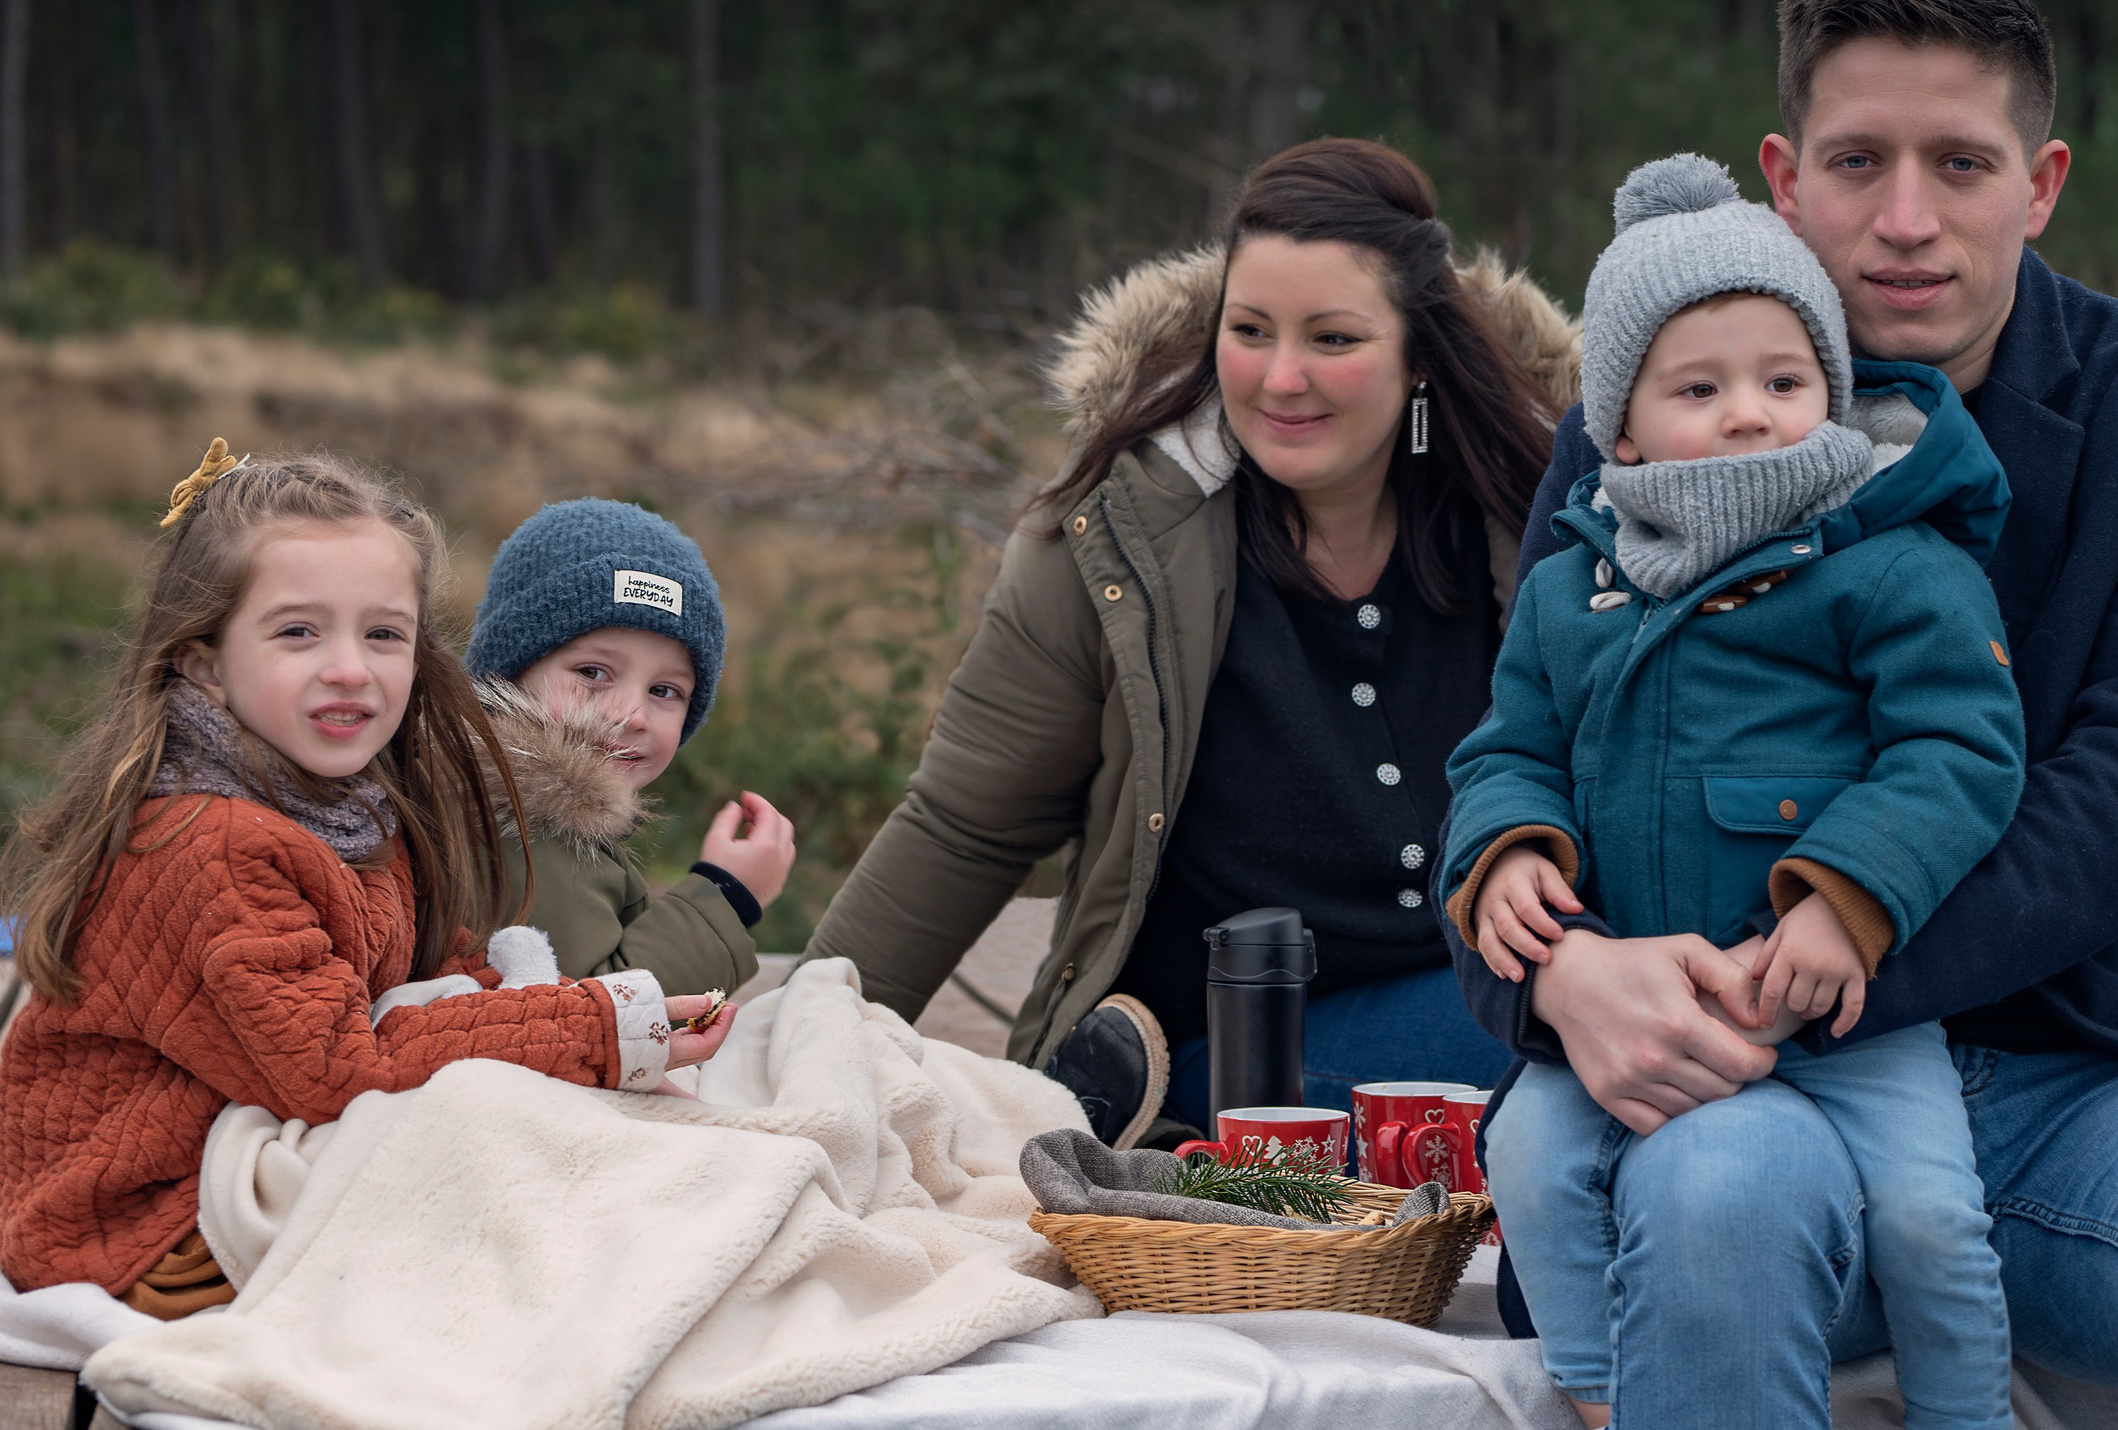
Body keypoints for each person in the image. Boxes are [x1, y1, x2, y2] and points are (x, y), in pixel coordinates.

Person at [1451, 0, 2118, 1429]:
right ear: (1785, 179)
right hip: (1741, 1078)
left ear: (2042, 181)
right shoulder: (1640, 422)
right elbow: (1529, 736)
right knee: (1716, 1197)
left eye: (1963, 162)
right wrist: (1553, 974)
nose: (1910, 219)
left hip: (2097, 1056)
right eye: (1861, 161)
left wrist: (1819, 957)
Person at [801, 138, 1577, 1144]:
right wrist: (801, 1051)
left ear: (1418, 356)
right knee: (1574, 1046)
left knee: (1633, 1033)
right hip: (1209, 1054)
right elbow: (964, 828)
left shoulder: (1535, 531)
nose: (1281, 378)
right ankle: (1137, 1133)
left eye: (1332, 339)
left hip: (1498, 989)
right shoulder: (1112, 547)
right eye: (1250, 330)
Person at [1446, 154, 2026, 1430]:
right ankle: (1597, 1391)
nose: (1752, 413)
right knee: (1528, 1159)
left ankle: (1964, 1413)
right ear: (1624, 427)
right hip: (1632, 999)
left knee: (1931, 1217)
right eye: (1699, 388)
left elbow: (1960, 749)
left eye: (1784, 379)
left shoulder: (1890, 564)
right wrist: (1506, 854)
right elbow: (1506, 746)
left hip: (1832, 1011)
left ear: (1828, 387)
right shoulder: (1575, 585)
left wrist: (1845, 899)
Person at [0, 443, 733, 1315]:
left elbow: (432, 968)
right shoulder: (208, 845)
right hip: (139, 1217)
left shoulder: (357, 804)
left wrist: (580, 1020)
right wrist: (595, 1029)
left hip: (252, 1125)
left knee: (536, 1139)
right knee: (509, 1199)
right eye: (299, 631)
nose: (350, 666)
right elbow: (340, 1066)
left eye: (382, 633)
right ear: (202, 660)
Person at [464, 497, 797, 997]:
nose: (633, 715)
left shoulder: (528, 800)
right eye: (593, 673)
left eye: (664, 691)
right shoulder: (524, 823)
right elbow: (593, 1012)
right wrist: (728, 896)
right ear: (510, 674)